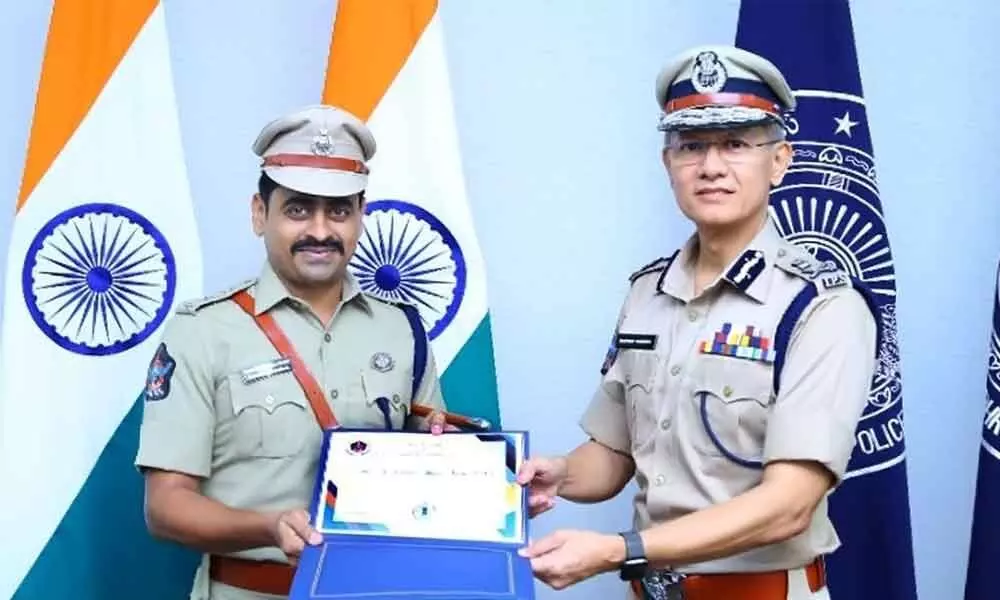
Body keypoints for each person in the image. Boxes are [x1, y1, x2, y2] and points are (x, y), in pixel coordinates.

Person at [516, 46, 879, 600]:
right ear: (669, 164)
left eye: (736, 144)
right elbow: (615, 456)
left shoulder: (820, 309)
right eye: (691, 147)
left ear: (779, 160)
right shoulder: (647, 293)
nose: (711, 167)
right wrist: (560, 474)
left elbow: (788, 506)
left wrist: (619, 550)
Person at [134, 104, 451, 600]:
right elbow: (165, 506)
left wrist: (455, 459)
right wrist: (269, 526)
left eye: (339, 210)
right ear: (260, 215)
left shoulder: (402, 328)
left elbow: (429, 480)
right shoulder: (203, 332)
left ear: (361, 216)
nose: (321, 231)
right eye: (298, 209)